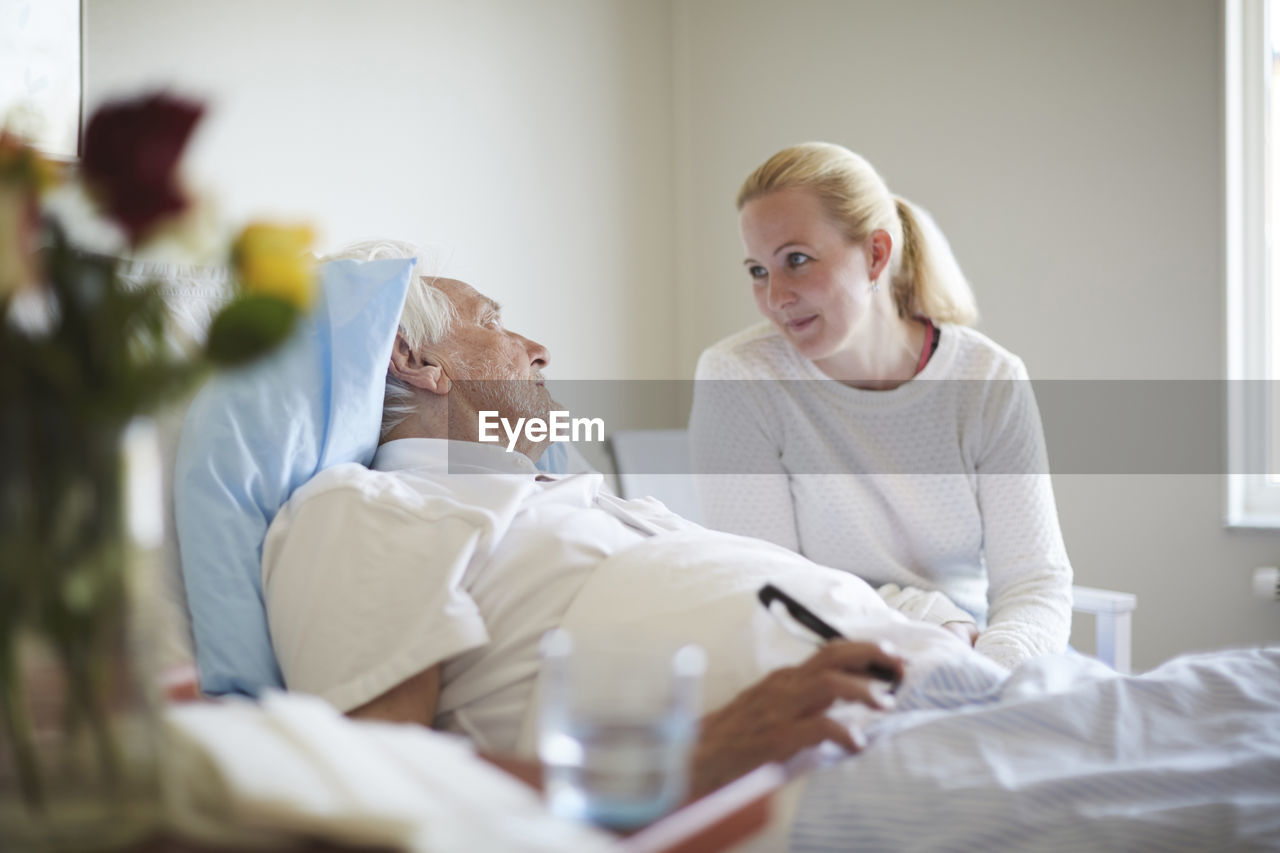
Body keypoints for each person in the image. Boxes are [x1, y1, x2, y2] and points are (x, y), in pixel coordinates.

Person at [260, 240, 985, 799]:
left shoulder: (574, 498)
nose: (538, 350)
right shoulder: (366, 505)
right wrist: (681, 760)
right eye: (492, 323)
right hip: (832, 768)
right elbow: (376, 787)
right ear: (414, 358)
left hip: (947, 694)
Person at [689, 143, 1073, 670]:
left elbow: (1035, 580)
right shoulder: (740, 376)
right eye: (757, 271)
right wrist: (932, 620)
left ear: (875, 254)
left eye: (796, 261)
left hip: (980, 653)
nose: (775, 296)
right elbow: (770, 580)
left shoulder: (989, 380)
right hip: (826, 653)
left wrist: (997, 670)